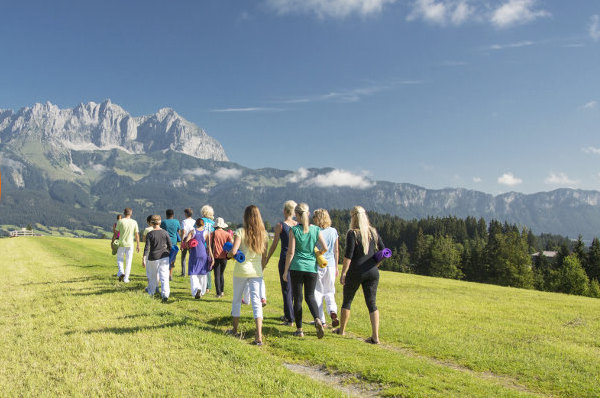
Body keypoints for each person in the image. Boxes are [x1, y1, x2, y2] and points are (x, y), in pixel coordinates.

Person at [335, 206, 385, 345]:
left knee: (347, 301)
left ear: (353, 217)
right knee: (372, 303)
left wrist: (344, 272)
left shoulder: (353, 233)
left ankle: (342, 330)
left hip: (356, 271)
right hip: (372, 271)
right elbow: (384, 250)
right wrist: (376, 264)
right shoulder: (373, 232)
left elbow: (348, 255)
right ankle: (375, 336)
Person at [283, 203, 328, 339]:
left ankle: (299, 329)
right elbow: (325, 247)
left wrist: (286, 271)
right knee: (310, 296)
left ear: (296, 215)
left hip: (297, 267)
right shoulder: (315, 230)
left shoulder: (294, 230)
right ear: (308, 214)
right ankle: (317, 319)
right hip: (311, 268)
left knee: (298, 298)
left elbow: (290, 252)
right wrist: (317, 253)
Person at [227, 205, 269, 346]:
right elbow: (264, 256)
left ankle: (234, 330)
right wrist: (261, 269)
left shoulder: (240, 232)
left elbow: (233, 251)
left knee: (237, 300)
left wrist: (228, 255)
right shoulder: (263, 234)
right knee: (256, 302)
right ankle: (259, 335)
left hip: (241, 271)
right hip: (256, 271)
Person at [265, 200, 297, 325]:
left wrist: (267, 258)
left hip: (284, 258)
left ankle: (289, 318)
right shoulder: (297, 224)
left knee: (286, 289)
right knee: (293, 289)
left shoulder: (281, 225)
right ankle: (289, 314)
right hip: (296, 259)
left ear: (284, 211)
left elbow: (274, 245)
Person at [312, 208, 340, 328]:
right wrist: (337, 267)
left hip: (318, 264)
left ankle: (321, 320)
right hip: (331, 265)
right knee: (329, 291)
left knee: (317, 292)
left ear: (317, 219)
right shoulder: (334, 231)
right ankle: (333, 311)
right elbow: (336, 250)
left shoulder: (315, 231)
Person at [142, 215, 172, 302]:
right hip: (164, 257)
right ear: (160, 222)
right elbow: (170, 246)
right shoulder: (165, 232)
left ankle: (151, 292)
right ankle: (165, 294)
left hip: (153, 257)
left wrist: (143, 258)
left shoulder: (150, 234)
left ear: (151, 223)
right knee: (164, 277)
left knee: (153, 276)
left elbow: (147, 248)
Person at [184, 218, 214, 299]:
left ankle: (197, 289)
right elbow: (209, 246)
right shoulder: (206, 232)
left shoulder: (192, 231)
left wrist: (189, 246)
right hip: (203, 254)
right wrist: (212, 257)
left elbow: (186, 243)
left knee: (193, 273)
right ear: (203, 224)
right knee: (202, 273)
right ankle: (202, 290)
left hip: (194, 253)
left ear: (196, 224)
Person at [113, 208, 140, 283]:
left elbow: (116, 233)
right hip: (130, 244)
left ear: (124, 213)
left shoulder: (120, 221)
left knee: (119, 259)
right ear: (131, 213)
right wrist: (138, 245)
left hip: (121, 243)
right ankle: (126, 279)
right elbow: (137, 234)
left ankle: (121, 272)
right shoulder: (134, 222)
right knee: (129, 262)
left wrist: (112, 242)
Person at [211, 217, 232, 298]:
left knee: (216, 275)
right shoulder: (227, 234)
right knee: (221, 274)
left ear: (215, 226)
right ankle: (222, 291)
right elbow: (231, 244)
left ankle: (218, 293)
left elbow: (209, 244)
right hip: (224, 257)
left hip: (215, 256)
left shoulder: (212, 234)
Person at [161, 209, 181, 281]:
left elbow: (161, 231)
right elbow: (178, 231)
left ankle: (165, 273)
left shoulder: (163, 222)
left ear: (166, 214)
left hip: (165, 243)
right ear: (173, 215)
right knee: (172, 259)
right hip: (174, 243)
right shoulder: (176, 222)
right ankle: (170, 274)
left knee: (165, 259)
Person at [201, 205, 216, 292]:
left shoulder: (201, 221)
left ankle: (202, 284)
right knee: (209, 265)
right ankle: (208, 286)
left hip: (202, 245)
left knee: (201, 265)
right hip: (210, 246)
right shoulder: (213, 223)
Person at [180, 208, 195, 277]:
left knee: (183, 257)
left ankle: (183, 273)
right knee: (192, 257)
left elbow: (183, 231)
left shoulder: (184, 221)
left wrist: (182, 242)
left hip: (185, 238)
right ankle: (192, 271)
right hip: (192, 240)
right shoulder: (194, 221)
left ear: (186, 214)